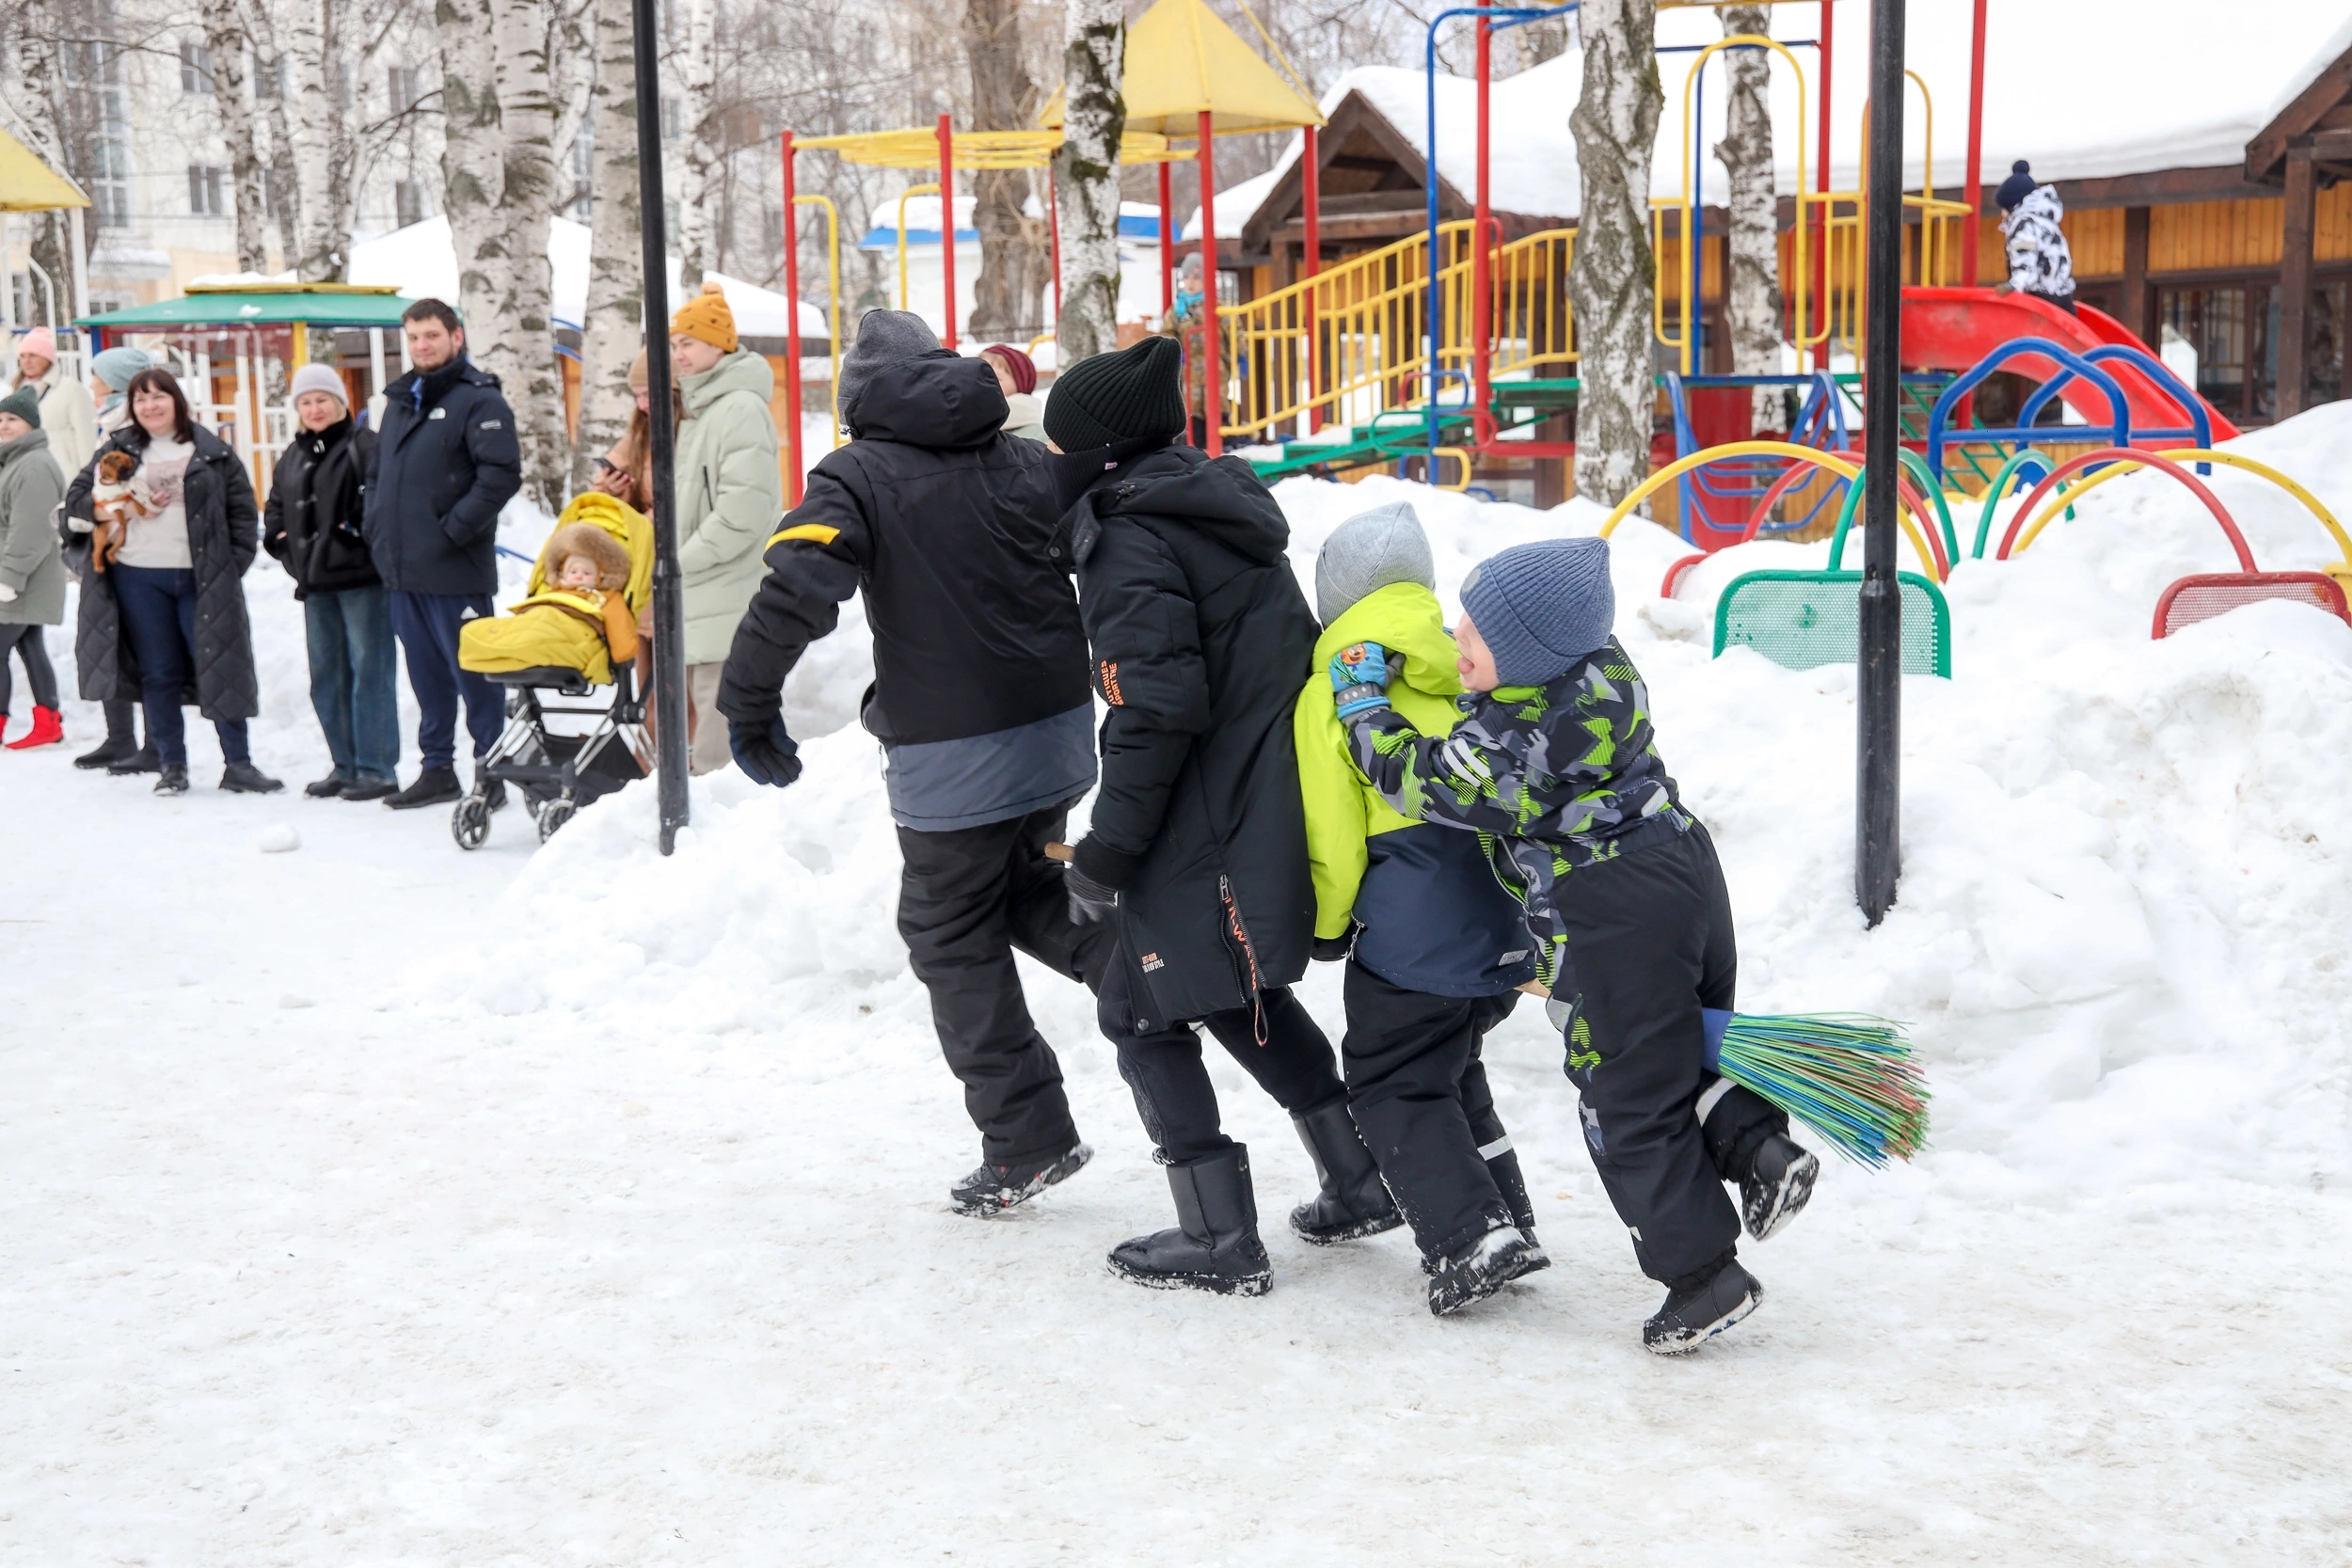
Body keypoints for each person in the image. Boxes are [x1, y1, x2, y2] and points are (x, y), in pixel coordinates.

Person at [1330, 536, 1818, 1354]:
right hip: (1685, 867)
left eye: (1475, 634)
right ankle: (1760, 1150)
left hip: (1612, 910)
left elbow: (1413, 775)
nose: (1457, 640)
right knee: (1676, 1049)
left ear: (1525, 655)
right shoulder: (1604, 668)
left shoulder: (1514, 745)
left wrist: (1361, 704)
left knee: (1625, 1101)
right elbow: (1511, 669)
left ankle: (1705, 1278)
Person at [722, 309, 1110, 1216]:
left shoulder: (855, 474)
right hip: (1057, 731)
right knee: (1017, 889)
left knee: (947, 929)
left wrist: (747, 700)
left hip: (954, 753)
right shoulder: (1023, 457)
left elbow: (796, 588)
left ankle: (1029, 1137)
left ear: (860, 399)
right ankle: (1145, 967)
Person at [1046, 334, 1391, 1298]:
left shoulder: (1128, 538)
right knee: (1234, 989)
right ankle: (1360, 1176)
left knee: (1137, 1005)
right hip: (1253, 795)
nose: (1047, 460)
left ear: (1098, 450)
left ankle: (1217, 1233)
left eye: (1057, 444)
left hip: (1202, 815)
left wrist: (1108, 849)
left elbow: (1155, 711)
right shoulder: (1208, 508)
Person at [1294, 501, 1548, 1315]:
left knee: (1392, 1083)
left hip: (1415, 936)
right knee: (1453, 1070)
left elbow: (1335, 837)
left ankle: (1470, 1238)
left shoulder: (1332, 694)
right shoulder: (1467, 664)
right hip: (1502, 920)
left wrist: (1326, 929)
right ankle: (1509, 1220)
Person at [62, 368, 279, 797]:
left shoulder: (212, 451)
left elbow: (242, 516)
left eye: (158, 396)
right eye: (141, 399)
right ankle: (171, 766)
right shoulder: (118, 448)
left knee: (220, 666)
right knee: (158, 672)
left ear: (176, 400)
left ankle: (239, 764)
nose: (150, 406)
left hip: (201, 580)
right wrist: (108, 511)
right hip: (138, 578)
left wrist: (228, 568)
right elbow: (77, 500)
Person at [363, 297, 522, 809]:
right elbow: (377, 476)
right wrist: (376, 527)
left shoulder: (480, 400)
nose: (421, 345)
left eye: (431, 335)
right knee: (427, 679)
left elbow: (501, 475)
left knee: (475, 678)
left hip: (456, 571)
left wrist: (452, 531)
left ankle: (491, 772)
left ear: (456, 337)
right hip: (403, 570)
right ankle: (437, 770)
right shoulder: (400, 400)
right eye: (413, 337)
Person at [262, 362, 397, 801]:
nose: (314, 408)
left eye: (322, 399)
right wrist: (281, 541)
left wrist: (349, 536)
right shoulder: (294, 454)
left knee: (369, 672)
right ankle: (345, 766)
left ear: (340, 401)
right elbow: (276, 504)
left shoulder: (364, 445)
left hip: (361, 580)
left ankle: (377, 769)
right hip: (315, 583)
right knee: (327, 677)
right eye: (306, 401)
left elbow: (381, 500)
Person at [667, 286, 783, 774]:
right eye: (674, 345)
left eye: (688, 343)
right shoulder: (707, 409)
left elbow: (742, 512)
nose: (679, 354)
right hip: (707, 592)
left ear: (719, 345)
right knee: (710, 735)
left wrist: (679, 561)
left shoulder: (737, 409)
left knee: (720, 752)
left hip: (725, 591)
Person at [67, 345, 155, 773]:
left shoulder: (137, 431)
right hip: (107, 552)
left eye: (98, 377)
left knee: (148, 647)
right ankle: (119, 737)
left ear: (118, 382)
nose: (92, 384)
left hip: (140, 553)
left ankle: (155, 742)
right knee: (107, 641)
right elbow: (82, 491)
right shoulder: (109, 427)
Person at [0, 385, 69, 750]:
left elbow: (31, 529)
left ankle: (33, 722)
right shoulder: (16, 461)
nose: (4, 425)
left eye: (12, 419)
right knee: (29, 645)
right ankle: (48, 722)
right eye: (0, 419)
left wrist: (9, 578)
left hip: (22, 577)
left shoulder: (35, 465)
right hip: (23, 575)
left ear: (31, 424)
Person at [8, 326, 99, 480]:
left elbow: (86, 436)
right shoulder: (13, 392)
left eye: (33, 355)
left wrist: (87, 477)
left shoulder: (70, 388)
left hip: (63, 472)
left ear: (47, 358)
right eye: (22, 356)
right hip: (23, 472)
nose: (27, 361)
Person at [1993, 161, 2076, 314]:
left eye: (2003, 208)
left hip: (2038, 299)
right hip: (2063, 297)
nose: (2002, 214)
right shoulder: (2048, 222)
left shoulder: (2023, 225)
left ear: (2014, 205)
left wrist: (2013, 285)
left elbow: (2025, 259)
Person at [979, 344, 1046, 442]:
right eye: (978, 377)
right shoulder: (963, 425)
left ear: (1021, 385)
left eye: (996, 378)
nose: (983, 384)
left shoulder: (1036, 437)